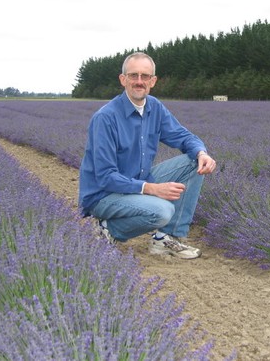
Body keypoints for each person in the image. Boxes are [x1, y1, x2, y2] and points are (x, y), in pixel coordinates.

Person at [79, 52, 217, 259]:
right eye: (133, 75)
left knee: (193, 161)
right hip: (104, 195)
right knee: (162, 211)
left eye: (145, 76)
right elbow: (106, 177)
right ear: (123, 79)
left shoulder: (154, 107)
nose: (139, 81)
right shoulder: (106, 118)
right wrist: (152, 189)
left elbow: (182, 136)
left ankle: (167, 238)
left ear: (153, 81)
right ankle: (108, 229)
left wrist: (201, 152)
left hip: (137, 182)